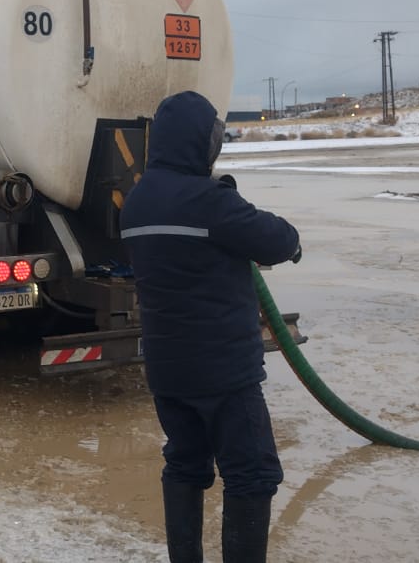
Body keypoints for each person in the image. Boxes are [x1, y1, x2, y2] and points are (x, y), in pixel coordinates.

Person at [120, 91, 302, 562]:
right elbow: (277, 240)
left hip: (167, 371)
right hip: (224, 372)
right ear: (203, 144)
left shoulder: (136, 202)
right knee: (252, 475)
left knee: (184, 463)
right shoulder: (210, 201)